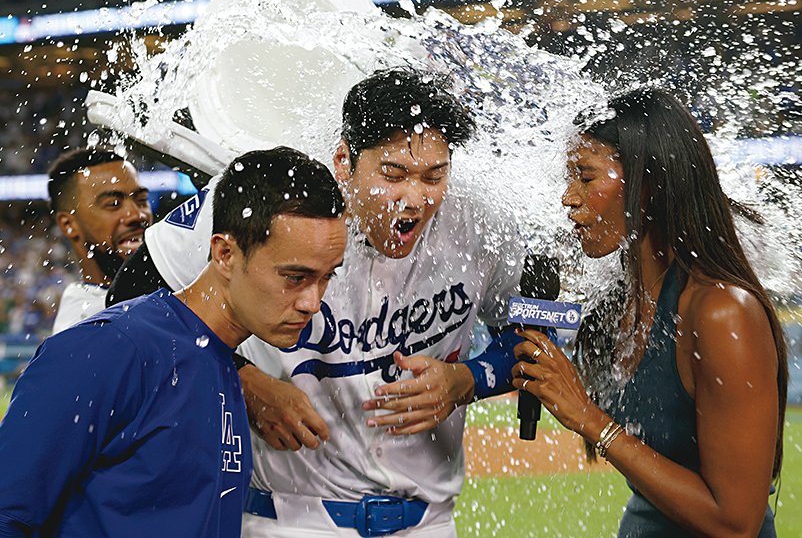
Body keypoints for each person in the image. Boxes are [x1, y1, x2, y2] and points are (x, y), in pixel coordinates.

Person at [107, 68, 525, 536]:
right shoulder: (278, 197)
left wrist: (470, 378)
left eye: (434, 176)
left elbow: (532, 328)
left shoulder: (479, 223)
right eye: (393, 173)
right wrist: (238, 379)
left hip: (432, 522)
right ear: (344, 161)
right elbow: (129, 300)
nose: (415, 198)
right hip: (286, 519)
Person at [0, 147, 347, 537]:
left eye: (326, 277)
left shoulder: (224, 365)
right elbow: (7, 511)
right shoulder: (109, 347)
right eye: (295, 277)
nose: (312, 302)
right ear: (225, 254)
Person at [511, 89, 786, 537]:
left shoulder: (721, 313)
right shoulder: (622, 301)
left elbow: (736, 522)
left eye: (585, 177)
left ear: (648, 183)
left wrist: (590, 419)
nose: (568, 198)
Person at [46, 148, 152, 333]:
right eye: (113, 204)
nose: (137, 215)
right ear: (69, 224)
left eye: (141, 200)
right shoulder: (84, 332)